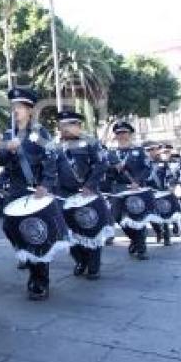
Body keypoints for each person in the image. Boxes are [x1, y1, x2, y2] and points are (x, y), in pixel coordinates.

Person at [0, 87, 56, 299]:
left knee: (36, 231)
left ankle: (40, 279)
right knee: (9, 227)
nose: (15, 111)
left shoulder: (40, 132)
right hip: (16, 190)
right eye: (13, 107)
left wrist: (45, 185)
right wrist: (7, 149)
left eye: (20, 107)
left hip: (37, 190)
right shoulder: (7, 133)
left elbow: (51, 161)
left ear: (30, 111)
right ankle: (26, 257)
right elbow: (0, 161)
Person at [53, 110, 108, 279]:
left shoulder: (91, 142)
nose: (65, 129)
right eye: (62, 126)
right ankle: (80, 260)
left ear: (78, 126)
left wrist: (90, 185)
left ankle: (93, 265)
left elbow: (101, 164)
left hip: (87, 193)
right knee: (67, 232)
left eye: (69, 125)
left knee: (91, 228)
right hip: (63, 195)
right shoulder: (54, 146)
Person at [105, 121, 152, 259]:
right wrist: (113, 168)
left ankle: (141, 248)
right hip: (118, 188)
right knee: (118, 216)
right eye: (118, 133)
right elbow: (106, 172)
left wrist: (137, 181)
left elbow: (147, 168)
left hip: (136, 187)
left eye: (124, 132)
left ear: (130, 134)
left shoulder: (139, 150)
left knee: (137, 217)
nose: (121, 135)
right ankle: (135, 240)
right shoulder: (111, 153)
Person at [145, 141, 173, 246]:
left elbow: (169, 175)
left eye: (153, 149)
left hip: (161, 191)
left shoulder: (162, 163)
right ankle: (158, 232)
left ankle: (166, 237)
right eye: (149, 150)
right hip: (148, 191)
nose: (151, 152)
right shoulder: (143, 163)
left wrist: (170, 185)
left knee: (163, 213)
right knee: (151, 215)